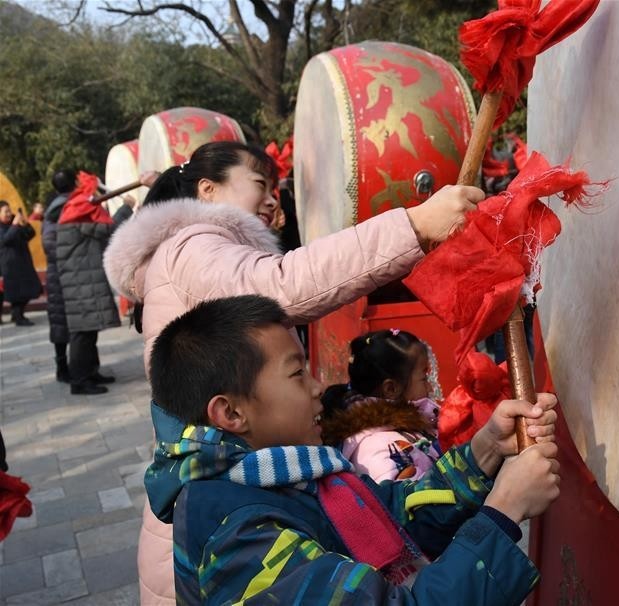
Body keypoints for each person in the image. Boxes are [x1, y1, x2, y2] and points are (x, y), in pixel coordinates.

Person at [102, 140, 482, 604]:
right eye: (259, 183)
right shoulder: (193, 244)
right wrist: (415, 224)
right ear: (207, 189)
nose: (271, 199)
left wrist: (481, 457)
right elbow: (283, 284)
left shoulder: (190, 252)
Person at [147, 295, 560, 604]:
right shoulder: (238, 534)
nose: (316, 388)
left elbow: (392, 513)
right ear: (231, 413)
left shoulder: (283, 475)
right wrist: (503, 510)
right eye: (296, 374)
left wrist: (485, 452)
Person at [321, 329, 442, 482]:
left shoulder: (410, 426)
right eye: (424, 378)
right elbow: (412, 502)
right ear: (391, 389)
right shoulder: (377, 448)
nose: (430, 387)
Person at [56, 172, 136, 395]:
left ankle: (90, 372)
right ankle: (80, 380)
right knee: (82, 332)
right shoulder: (79, 211)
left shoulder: (75, 209)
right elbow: (108, 229)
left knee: (88, 330)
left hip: (81, 279)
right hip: (80, 281)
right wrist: (126, 208)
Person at [42, 169, 76, 382]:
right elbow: (50, 244)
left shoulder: (62, 206)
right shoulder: (60, 209)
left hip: (65, 272)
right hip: (61, 274)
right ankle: (62, 367)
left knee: (70, 323)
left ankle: (81, 366)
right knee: (61, 323)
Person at [0, 201, 42, 327]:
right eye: (5, 211)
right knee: (16, 293)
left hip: (23, 263)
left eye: (9, 210)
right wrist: (14, 225)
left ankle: (17, 315)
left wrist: (25, 223)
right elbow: (6, 240)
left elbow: (30, 234)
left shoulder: (15, 223)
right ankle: (18, 317)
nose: (9, 213)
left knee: (29, 289)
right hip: (9, 265)